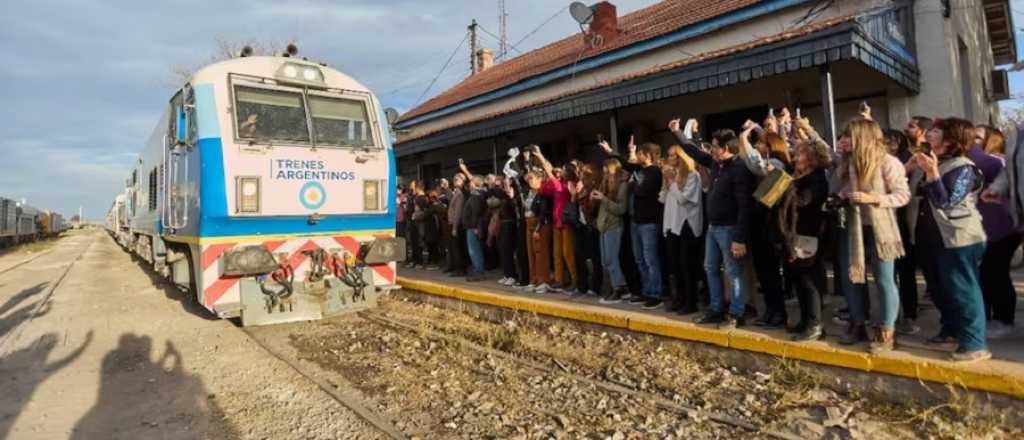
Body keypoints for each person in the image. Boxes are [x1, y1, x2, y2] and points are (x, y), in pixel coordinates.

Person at [907, 117, 989, 361]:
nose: (929, 134)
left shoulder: (964, 167)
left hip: (959, 238)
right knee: (940, 289)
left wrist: (932, 173)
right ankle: (951, 330)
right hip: (932, 238)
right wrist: (911, 168)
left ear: (951, 140)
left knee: (963, 290)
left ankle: (975, 344)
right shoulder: (932, 160)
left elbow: (946, 200)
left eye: (935, 131)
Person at [670, 119, 755, 329]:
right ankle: (716, 309)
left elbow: (745, 206)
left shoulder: (739, 169)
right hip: (713, 227)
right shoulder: (717, 164)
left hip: (729, 229)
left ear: (725, 148)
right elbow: (695, 152)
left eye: (715, 146)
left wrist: (739, 238)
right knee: (710, 267)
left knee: (733, 272)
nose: (712, 149)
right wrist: (677, 133)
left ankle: (737, 313)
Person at [834, 118, 909, 352]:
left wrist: (873, 199)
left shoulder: (888, 162)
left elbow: (902, 195)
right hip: (855, 227)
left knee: (884, 280)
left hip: (881, 228)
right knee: (853, 277)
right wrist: (843, 195)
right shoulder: (851, 163)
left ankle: (887, 331)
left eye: (849, 136)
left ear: (862, 137)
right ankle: (858, 323)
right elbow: (845, 186)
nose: (844, 140)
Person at [600, 136, 665, 309]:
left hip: (649, 222)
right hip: (636, 221)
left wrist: (631, 184)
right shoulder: (640, 169)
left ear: (649, 156)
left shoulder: (654, 172)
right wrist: (610, 151)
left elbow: (643, 190)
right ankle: (646, 291)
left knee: (651, 259)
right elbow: (626, 163)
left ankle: (656, 294)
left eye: (641, 154)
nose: (639, 157)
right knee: (640, 259)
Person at [778, 138, 831, 341]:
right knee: (798, 278)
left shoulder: (816, 180)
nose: (795, 158)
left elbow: (803, 202)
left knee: (809, 280)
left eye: (799, 155)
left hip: (809, 235)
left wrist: (785, 187)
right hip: (795, 234)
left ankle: (815, 323)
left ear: (812, 159)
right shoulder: (799, 177)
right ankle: (805, 320)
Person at [972, 126, 1019, 339]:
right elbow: (1008, 174)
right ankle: (995, 318)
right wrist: (996, 189)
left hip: (1004, 228)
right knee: (989, 274)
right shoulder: (1018, 135)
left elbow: (990, 165)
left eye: (977, 137)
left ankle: (1003, 319)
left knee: (995, 272)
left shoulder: (989, 161)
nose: (972, 140)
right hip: (989, 228)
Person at [884, 129, 921, 335]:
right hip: (885, 223)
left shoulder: (906, 161)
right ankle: (893, 314)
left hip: (903, 224)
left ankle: (909, 314)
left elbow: (906, 193)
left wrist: (904, 169)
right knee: (888, 275)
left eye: (888, 142)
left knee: (905, 272)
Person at [537, 153, 579, 293]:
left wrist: (541, 157)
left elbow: (552, 180)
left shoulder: (568, 185)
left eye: (562, 171)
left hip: (566, 223)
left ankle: (575, 280)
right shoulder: (558, 185)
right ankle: (560, 280)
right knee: (557, 253)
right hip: (556, 223)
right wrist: (544, 177)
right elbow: (543, 190)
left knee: (568, 254)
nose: (559, 173)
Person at [593, 157, 631, 304]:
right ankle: (615, 287)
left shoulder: (622, 185)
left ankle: (619, 288)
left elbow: (621, 209)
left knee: (611, 259)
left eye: (608, 173)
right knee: (605, 260)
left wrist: (603, 199)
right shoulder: (606, 185)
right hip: (603, 226)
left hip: (614, 226)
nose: (606, 176)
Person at [523, 168, 554, 293]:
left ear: (540, 179)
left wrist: (538, 228)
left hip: (540, 224)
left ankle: (543, 280)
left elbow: (544, 211)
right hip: (528, 222)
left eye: (532, 178)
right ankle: (534, 279)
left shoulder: (543, 192)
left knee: (541, 252)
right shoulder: (529, 192)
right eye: (528, 178)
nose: (529, 180)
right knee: (531, 253)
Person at [460, 166, 489, 282]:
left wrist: (476, 226)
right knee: (474, 249)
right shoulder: (476, 194)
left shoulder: (477, 195)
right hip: (472, 226)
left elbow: (476, 212)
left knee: (474, 250)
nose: (469, 184)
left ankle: (479, 271)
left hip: (473, 227)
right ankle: (477, 269)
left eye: (471, 182)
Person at [446, 173, 468, 277]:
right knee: (454, 247)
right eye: (454, 179)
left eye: (457, 179)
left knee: (457, 248)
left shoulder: (460, 194)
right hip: (452, 223)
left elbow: (458, 212)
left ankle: (460, 269)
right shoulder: (456, 193)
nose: (454, 181)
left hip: (456, 224)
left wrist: (454, 227)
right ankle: (457, 267)